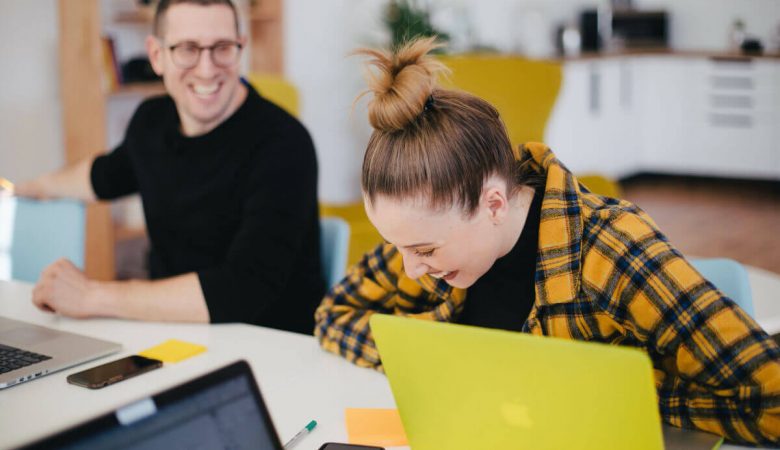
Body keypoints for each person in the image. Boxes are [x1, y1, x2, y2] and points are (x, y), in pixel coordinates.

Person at [314, 37, 780, 445]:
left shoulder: (612, 250)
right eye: (398, 245)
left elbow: (770, 398)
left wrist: (622, 393)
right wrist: (435, 360)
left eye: (424, 251)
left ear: (494, 204)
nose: (410, 268)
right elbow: (333, 316)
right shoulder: (426, 234)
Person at [15, 0, 324, 334]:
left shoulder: (284, 143)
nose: (206, 69)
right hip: (171, 333)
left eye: (222, 48)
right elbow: (104, 175)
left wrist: (91, 296)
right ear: (157, 55)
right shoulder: (152, 121)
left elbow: (244, 287)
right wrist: (28, 187)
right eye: (187, 49)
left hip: (269, 345)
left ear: (241, 48)